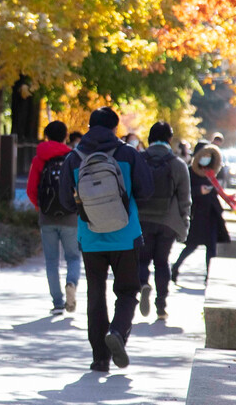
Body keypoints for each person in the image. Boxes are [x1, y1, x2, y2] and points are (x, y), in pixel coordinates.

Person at [57, 107, 152, 372]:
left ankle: (100, 358)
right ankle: (118, 333)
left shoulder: (74, 158)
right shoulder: (128, 154)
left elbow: (65, 201)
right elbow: (145, 192)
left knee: (96, 294)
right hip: (126, 235)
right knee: (127, 291)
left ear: (88, 126)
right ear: (115, 128)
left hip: (90, 236)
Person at [137, 122, 191, 320]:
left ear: (150, 138)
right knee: (162, 262)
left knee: (142, 259)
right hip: (168, 221)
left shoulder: (139, 160)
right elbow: (185, 199)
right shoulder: (178, 164)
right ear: (169, 139)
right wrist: (184, 224)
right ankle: (161, 306)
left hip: (142, 219)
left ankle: (143, 283)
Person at [25, 120, 80, 316]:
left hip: (47, 217)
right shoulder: (72, 157)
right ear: (66, 136)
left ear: (47, 136)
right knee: (73, 257)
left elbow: (31, 189)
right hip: (70, 216)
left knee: (51, 260)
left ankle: (57, 303)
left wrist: (41, 207)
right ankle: (71, 283)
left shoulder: (39, 158)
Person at [170, 144, 233, 283]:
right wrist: (199, 190)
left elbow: (218, 188)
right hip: (197, 215)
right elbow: (182, 191)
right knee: (191, 245)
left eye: (208, 156)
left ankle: (208, 276)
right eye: (203, 156)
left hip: (211, 214)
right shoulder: (189, 171)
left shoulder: (210, 172)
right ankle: (175, 268)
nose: (206, 159)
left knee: (211, 247)